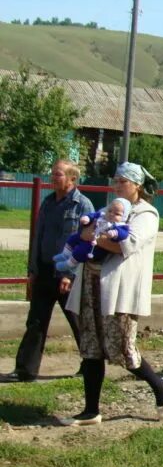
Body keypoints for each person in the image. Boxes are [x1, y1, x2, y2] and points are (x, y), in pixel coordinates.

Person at [58, 162, 163, 426]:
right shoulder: (109, 209)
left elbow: (125, 245)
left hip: (119, 290)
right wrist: (89, 236)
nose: (117, 186)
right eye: (116, 181)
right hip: (90, 283)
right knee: (91, 347)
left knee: (122, 349)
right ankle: (91, 410)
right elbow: (84, 232)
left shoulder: (146, 214)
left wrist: (92, 238)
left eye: (123, 182)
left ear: (137, 186)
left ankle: (160, 387)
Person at [6, 160, 94, 383]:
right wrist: (33, 269)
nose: (53, 179)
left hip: (67, 275)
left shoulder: (83, 205)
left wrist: (70, 274)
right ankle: (25, 370)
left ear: (72, 178)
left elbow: (87, 243)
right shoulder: (47, 202)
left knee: (78, 322)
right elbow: (38, 237)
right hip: (45, 271)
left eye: (58, 175)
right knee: (35, 321)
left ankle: (91, 366)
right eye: (53, 175)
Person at [53, 198, 132, 272]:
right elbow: (93, 215)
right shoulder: (102, 215)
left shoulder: (120, 225)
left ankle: (70, 264)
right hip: (88, 237)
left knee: (81, 250)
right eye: (110, 211)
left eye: (117, 214)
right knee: (73, 238)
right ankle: (65, 254)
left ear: (124, 216)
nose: (111, 214)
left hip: (96, 247)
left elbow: (124, 233)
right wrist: (87, 218)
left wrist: (115, 233)